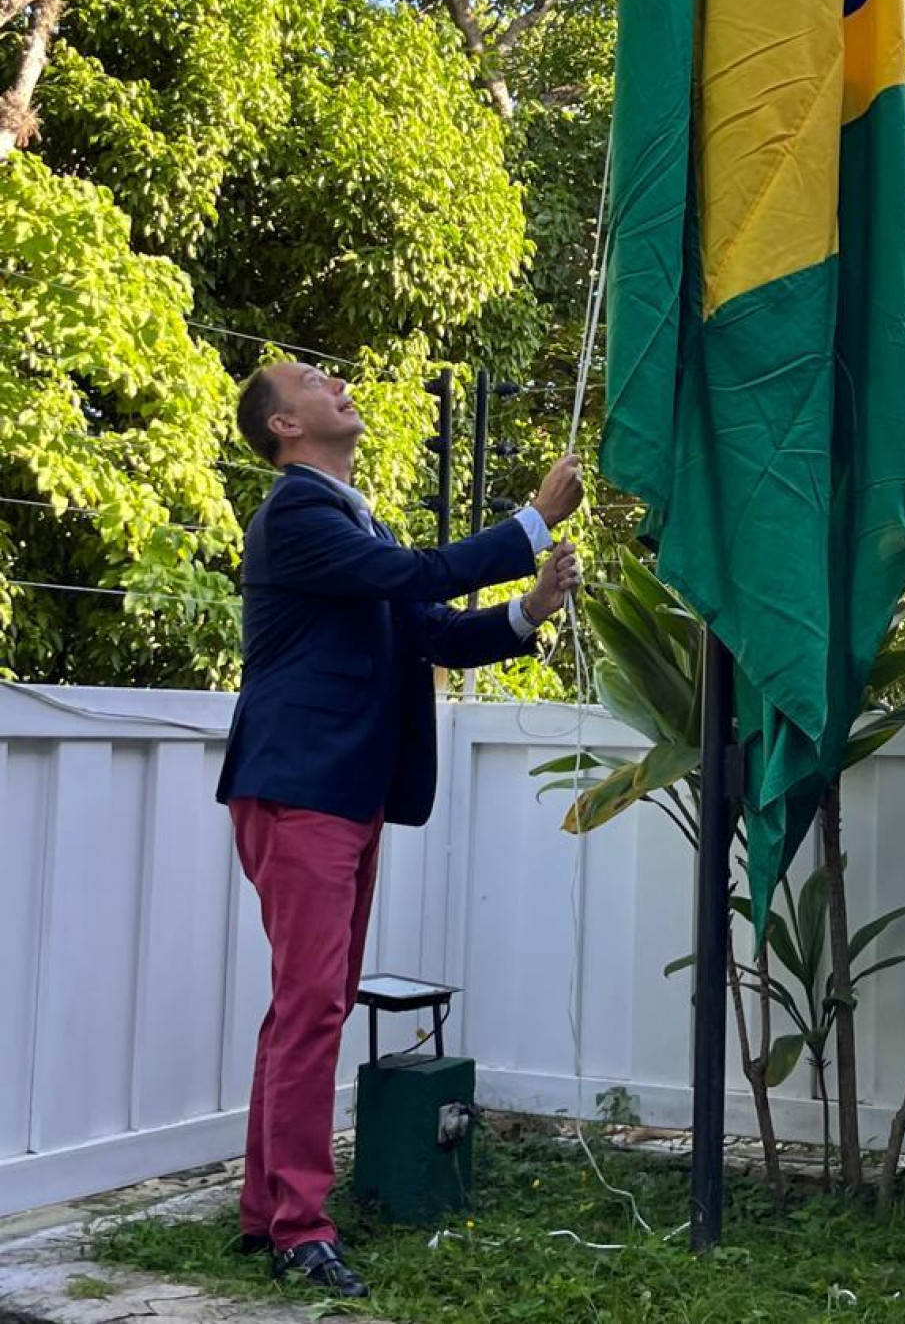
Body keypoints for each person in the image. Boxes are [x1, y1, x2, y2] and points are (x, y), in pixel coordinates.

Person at [216, 360, 583, 1297]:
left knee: (308, 1003)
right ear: (285, 427)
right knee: (312, 1008)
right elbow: (422, 577)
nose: (334, 379)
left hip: (340, 789)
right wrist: (531, 520)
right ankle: (300, 1227)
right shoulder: (296, 514)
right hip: (302, 786)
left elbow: (430, 627)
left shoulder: (354, 518)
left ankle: (269, 1212)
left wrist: (528, 608)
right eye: (309, 378)